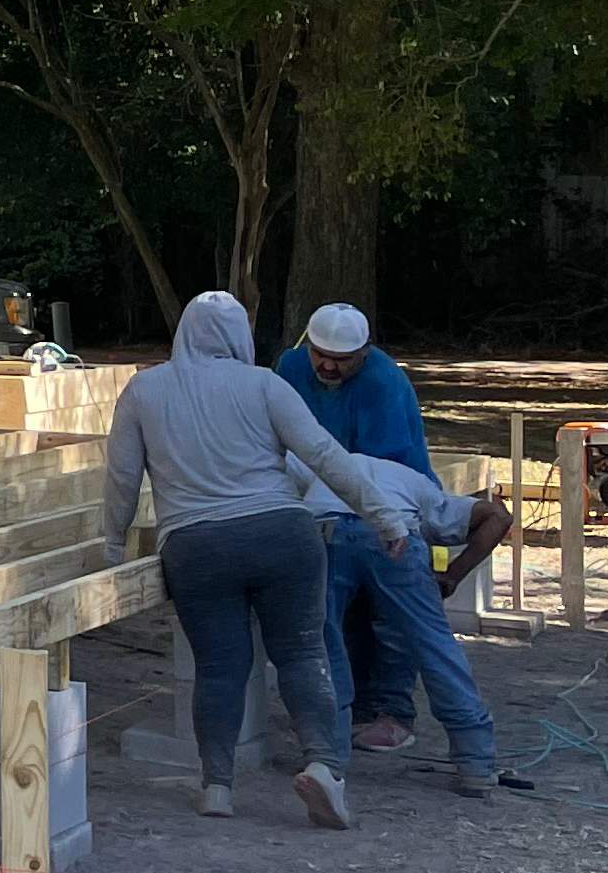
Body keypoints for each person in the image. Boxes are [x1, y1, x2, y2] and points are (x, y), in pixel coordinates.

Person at [104, 291, 413, 828]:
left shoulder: (142, 390)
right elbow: (321, 455)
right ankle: (324, 766)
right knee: (301, 656)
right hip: (282, 536)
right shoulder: (265, 384)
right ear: (238, 338)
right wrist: (384, 516)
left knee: (219, 668)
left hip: (196, 547)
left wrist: (111, 546)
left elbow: (122, 479)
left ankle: (216, 786)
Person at [273, 302, 441, 752]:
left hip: (389, 499)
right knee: (332, 611)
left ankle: (392, 712)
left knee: (390, 616)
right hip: (320, 499)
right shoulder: (290, 367)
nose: (327, 365)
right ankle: (340, 711)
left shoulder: (383, 382)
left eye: (341, 359)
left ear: (364, 352)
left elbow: (374, 470)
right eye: (320, 354)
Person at [320, 450, 523, 798]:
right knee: (434, 644)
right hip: (395, 532)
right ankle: (475, 762)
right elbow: (498, 516)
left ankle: (326, 758)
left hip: (325, 529)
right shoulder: (424, 489)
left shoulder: (318, 464)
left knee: (323, 644)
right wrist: (453, 577)